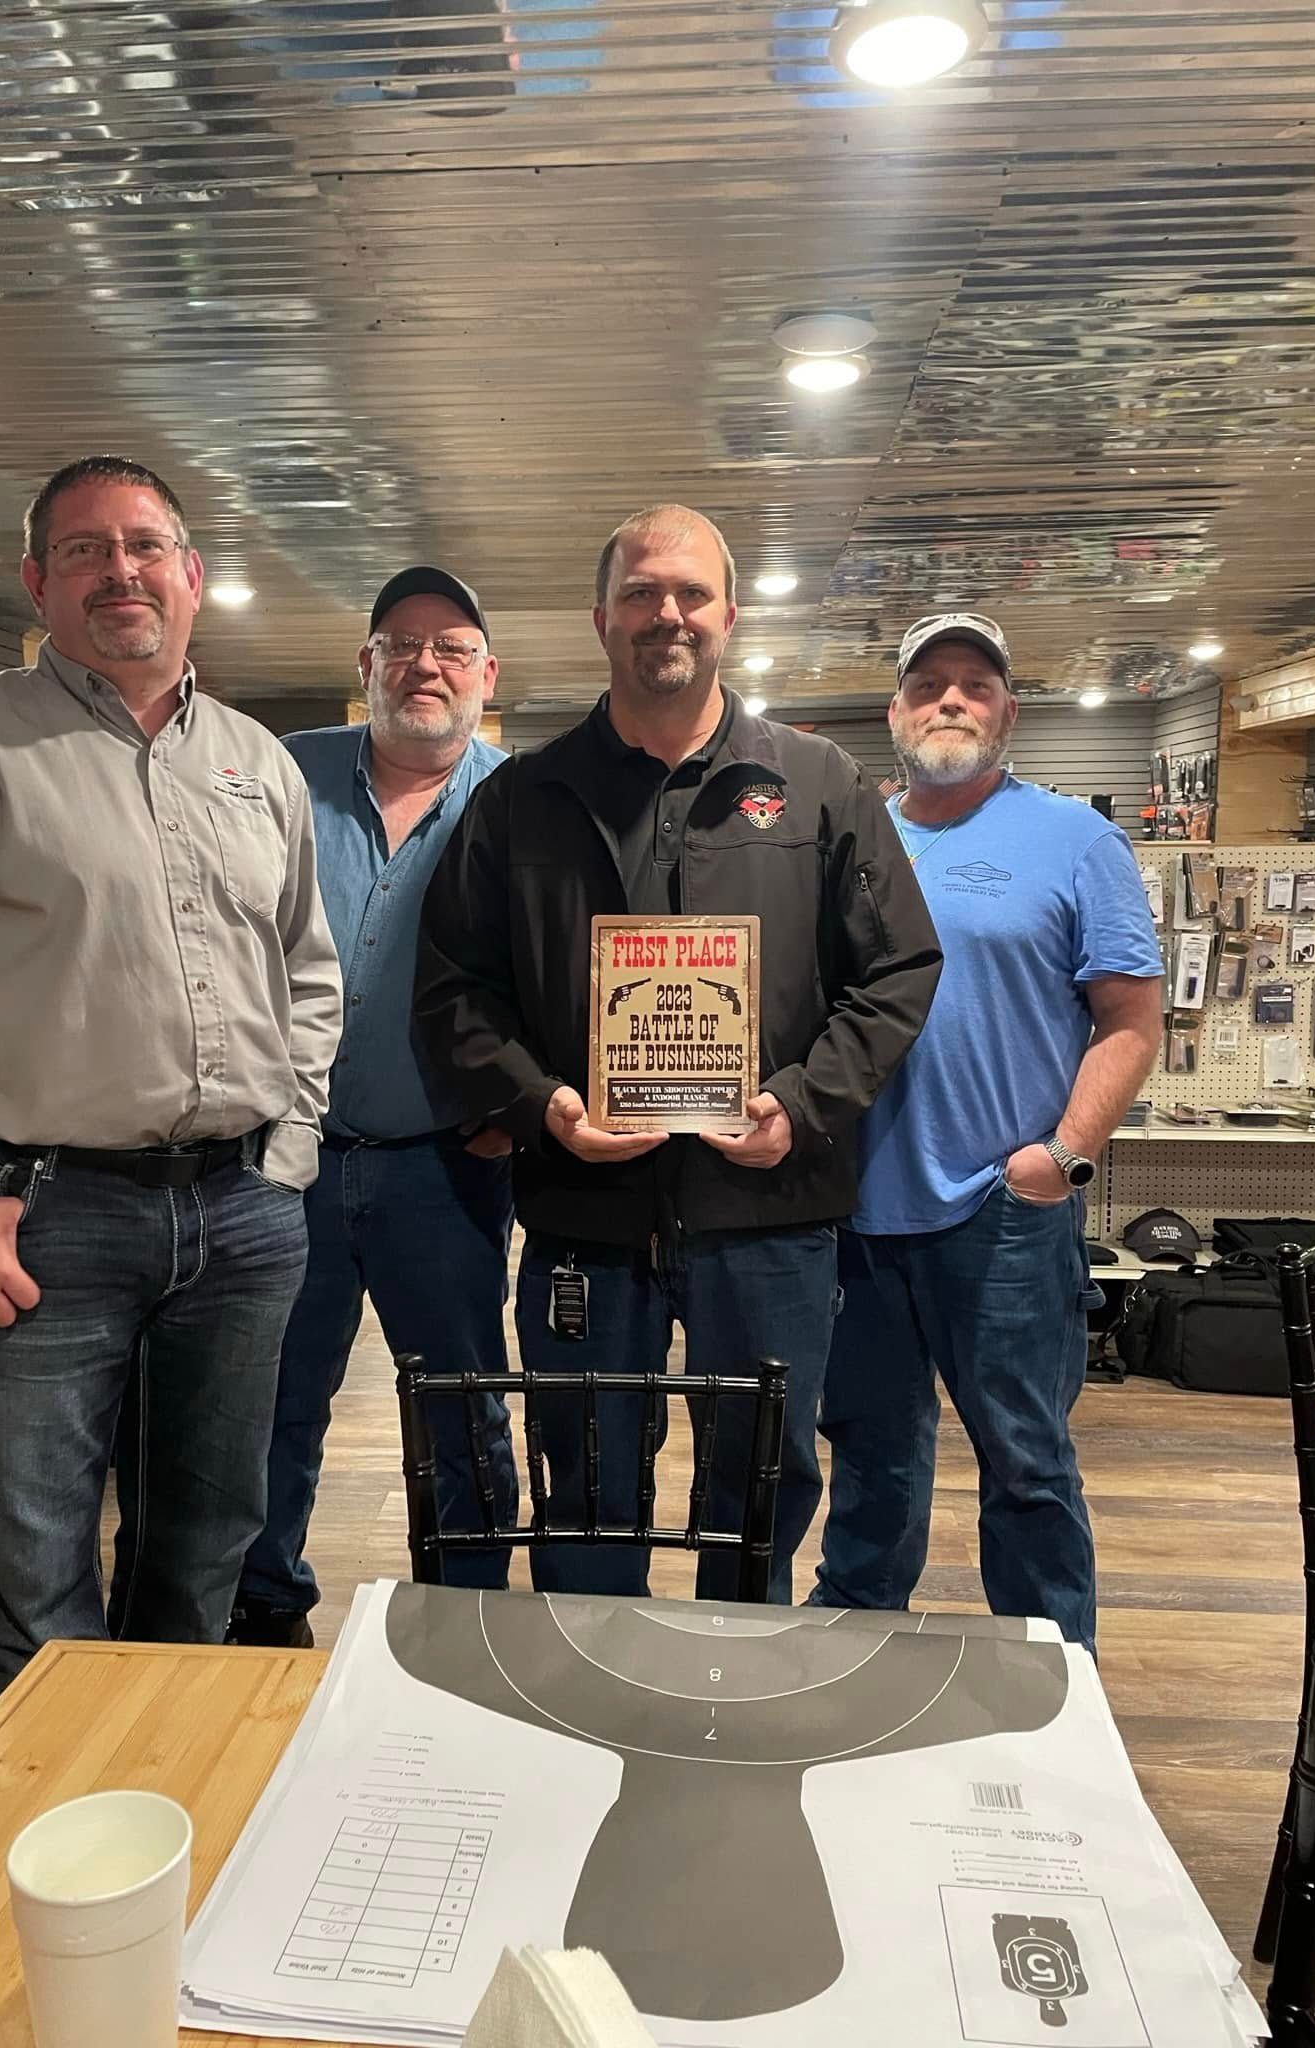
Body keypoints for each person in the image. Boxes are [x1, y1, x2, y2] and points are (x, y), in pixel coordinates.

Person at [0, 455, 343, 1723]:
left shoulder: (256, 762)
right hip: (35, 1224)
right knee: (33, 1590)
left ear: (191, 575)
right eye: (85, 549)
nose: (120, 570)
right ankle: (43, 1831)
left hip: (242, 1214)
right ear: (38, 582)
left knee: (203, 1553)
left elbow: (308, 970)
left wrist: (293, 1143)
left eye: (145, 545)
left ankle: (166, 1802)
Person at [416, 504, 942, 1600]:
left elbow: (899, 968)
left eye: (692, 593)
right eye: (644, 592)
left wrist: (801, 1103)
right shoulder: (523, 799)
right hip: (583, 1214)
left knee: (761, 1488)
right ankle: (589, 1674)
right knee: (583, 1480)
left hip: (770, 1214)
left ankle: (733, 1678)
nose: (669, 613)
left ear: (730, 616)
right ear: (601, 616)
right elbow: (454, 990)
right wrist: (544, 1105)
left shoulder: (819, 784)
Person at [810, 611, 1164, 1651]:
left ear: (1009, 712)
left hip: (1003, 1213)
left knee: (1026, 1462)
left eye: (974, 684)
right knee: (870, 1455)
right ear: (896, 712)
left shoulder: (1076, 841)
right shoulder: (852, 839)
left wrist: (1061, 1157)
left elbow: (1132, 1020)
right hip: (858, 1213)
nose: (951, 701)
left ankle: (1056, 1679)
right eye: (929, 685)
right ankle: (856, 1656)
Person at [230, 567, 517, 1646]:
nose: (424, 665)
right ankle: (263, 1601)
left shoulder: (521, 800)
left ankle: (466, 1612)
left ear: (487, 673)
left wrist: (521, 1101)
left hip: (445, 1167)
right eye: (401, 644)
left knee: (461, 1401)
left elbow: (568, 962)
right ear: (367, 665)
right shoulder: (281, 771)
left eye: (451, 648)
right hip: (282, 1158)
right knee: (275, 1395)